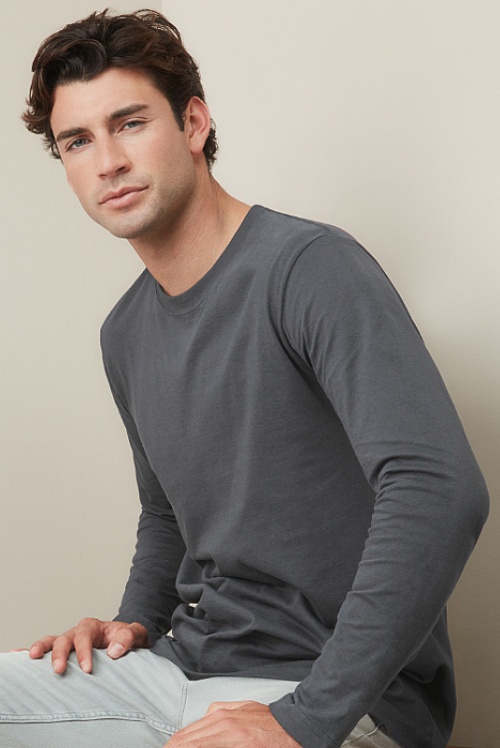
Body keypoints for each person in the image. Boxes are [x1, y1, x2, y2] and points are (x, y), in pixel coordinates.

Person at [0, 8, 489, 748]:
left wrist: (305, 719)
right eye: (78, 140)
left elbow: (440, 488)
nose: (107, 162)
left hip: (332, 694)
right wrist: (134, 623)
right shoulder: (123, 333)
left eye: (130, 123)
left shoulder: (310, 269)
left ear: (193, 124)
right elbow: (168, 517)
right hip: (182, 668)